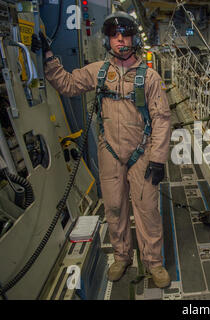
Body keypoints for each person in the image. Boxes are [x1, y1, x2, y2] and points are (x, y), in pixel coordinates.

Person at [31, 11, 171, 288]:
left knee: (147, 211)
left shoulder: (150, 77)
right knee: (115, 207)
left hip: (141, 153)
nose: (121, 40)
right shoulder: (99, 72)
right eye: (115, 36)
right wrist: (48, 57)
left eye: (125, 35)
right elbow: (68, 85)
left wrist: (157, 159)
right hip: (110, 151)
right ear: (108, 40)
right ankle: (122, 256)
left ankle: (154, 263)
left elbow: (162, 120)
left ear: (133, 39)